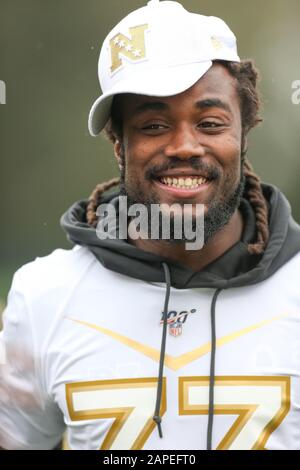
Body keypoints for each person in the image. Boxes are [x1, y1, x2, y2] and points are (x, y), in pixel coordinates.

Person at [0, 0, 300, 451]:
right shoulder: (43, 297)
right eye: (154, 124)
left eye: (210, 122)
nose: (184, 146)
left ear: (244, 134)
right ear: (120, 144)